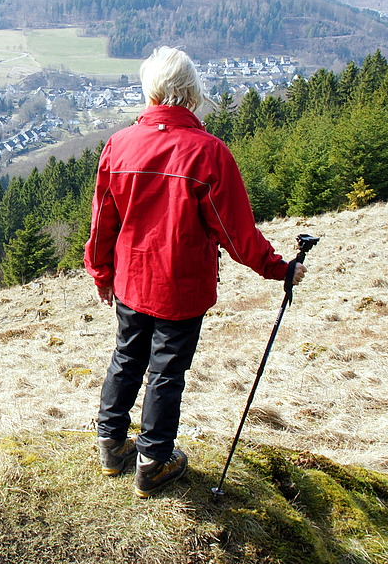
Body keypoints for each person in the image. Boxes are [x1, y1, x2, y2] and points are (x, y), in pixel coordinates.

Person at [84, 46, 307, 498]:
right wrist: (280, 269)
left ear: (151, 89)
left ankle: (111, 447)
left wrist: (101, 273)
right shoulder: (208, 154)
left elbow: (103, 220)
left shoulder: (120, 144)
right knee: (166, 371)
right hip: (180, 288)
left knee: (126, 357)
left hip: (130, 278)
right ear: (190, 92)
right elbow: (237, 234)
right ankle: (153, 462)